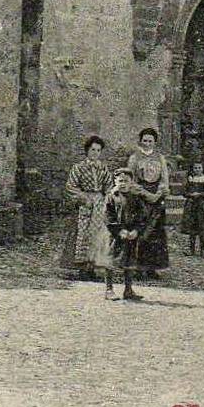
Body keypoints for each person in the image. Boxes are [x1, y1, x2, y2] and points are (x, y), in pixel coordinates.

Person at [60, 135, 113, 280]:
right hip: (84, 205)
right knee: (82, 234)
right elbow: (71, 186)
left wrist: (107, 197)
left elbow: (109, 186)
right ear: (87, 151)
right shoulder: (78, 168)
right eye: (92, 150)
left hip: (99, 205)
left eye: (98, 150)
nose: (95, 153)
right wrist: (83, 197)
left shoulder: (103, 168)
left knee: (97, 234)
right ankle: (82, 267)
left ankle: (93, 266)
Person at [126, 127, 171, 274]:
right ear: (140, 141)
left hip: (156, 197)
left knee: (156, 233)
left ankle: (153, 268)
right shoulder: (134, 158)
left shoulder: (160, 158)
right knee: (141, 231)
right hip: (140, 198)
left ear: (155, 142)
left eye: (150, 141)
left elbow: (164, 179)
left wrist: (158, 194)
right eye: (144, 140)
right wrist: (144, 194)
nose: (147, 143)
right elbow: (130, 180)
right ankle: (139, 268)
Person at [101, 170, 145, 302]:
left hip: (131, 234)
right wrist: (119, 231)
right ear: (115, 182)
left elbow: (142, 216)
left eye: (126, 181)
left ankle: (128, 289)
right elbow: (107, 216)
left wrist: (136, 230)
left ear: (131, 182)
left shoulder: (135, 197)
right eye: (120, 181)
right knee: (111, 260)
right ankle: (109, 289)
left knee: (129, 260)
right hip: (115, 235)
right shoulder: (111, 196)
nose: (123, 184)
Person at [180, 160, 204, 256]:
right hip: (191, 205)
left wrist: (200, 194)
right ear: (192, 169)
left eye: (199, 168)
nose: (197, 170)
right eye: (195, 168)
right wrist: (191, 194)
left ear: (203, 169)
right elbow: (184, 192)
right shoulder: (190, 179)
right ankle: (191, 249)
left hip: (203, 205)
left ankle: (203, 250)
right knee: (192, 227)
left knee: (202, 227)